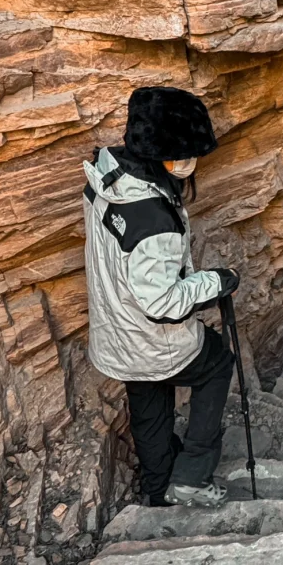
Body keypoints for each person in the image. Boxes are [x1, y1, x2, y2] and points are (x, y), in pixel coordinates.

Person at [83, 86, 240, 507]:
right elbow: (163, 303)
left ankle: (158, 491)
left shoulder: (107, 178)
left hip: (118, 331)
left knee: (148, 399)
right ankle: (190, 476)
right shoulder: (154, 221)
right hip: (152, 337)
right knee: (216, 364)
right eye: (184, 156)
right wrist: (217, 282)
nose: (189, 165)